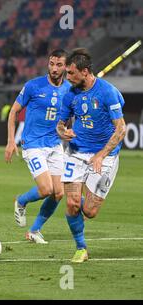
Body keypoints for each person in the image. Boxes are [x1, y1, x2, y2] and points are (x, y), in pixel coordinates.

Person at [57, 48, 126, 263]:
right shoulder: (70, 94)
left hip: (105, 156)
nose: (67, 77)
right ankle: (81, 248)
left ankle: (87, 202)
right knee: (72, 202)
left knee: (90, 211)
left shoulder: (107, 92)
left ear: (85, 72)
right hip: (76, 152)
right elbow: (60, 124)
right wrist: (63, 132)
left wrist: (101, 155)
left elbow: (121, 129)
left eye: (71, 73)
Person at [5, 49, 71, 244]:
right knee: (45, 189)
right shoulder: (33, 86)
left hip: (55, 145)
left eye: (59, 65)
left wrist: (67, 132)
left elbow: (67, 119)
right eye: (52, 64)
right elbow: (13, 112)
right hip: (33, 145)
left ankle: (34, 231)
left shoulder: (69, 90)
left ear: (66, 67)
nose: (54, 68)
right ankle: (21, 200)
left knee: (58, 193)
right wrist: (10, 141)